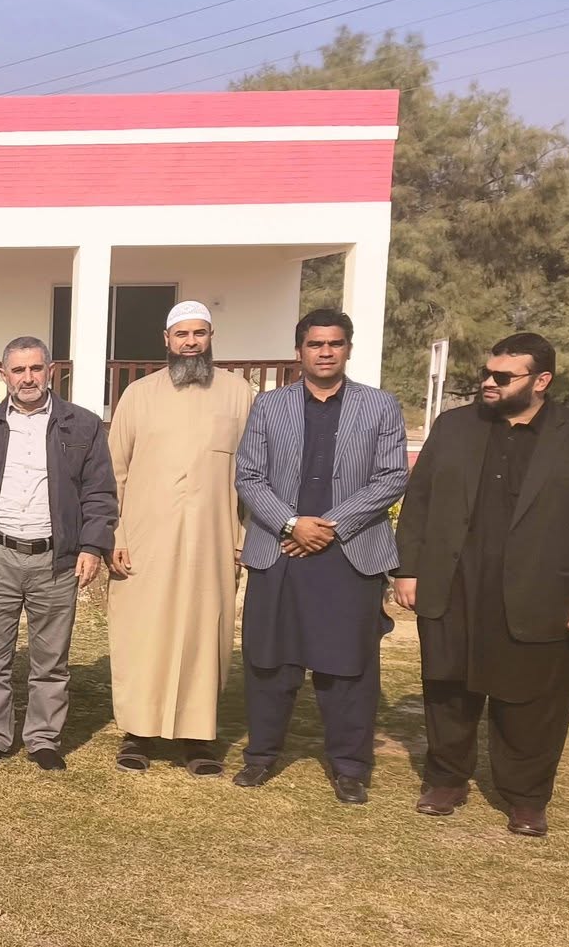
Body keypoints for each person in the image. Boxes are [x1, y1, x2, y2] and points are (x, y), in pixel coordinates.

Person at [396, 332, 569, 838]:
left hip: (541, 593)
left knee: (532, 702)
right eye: (487, 372)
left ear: (541, 381)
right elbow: (418, 501)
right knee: (448, 690)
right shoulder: (454, 427)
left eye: (503, 376)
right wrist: (407, 569)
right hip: (454, 585)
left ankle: (526, 798)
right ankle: (446, 780)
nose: (489, 381)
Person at [232, 309, 408, 804]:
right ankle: (261, 756)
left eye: (334, 343)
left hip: (348, 553)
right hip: (280, 549)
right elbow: (249, 475)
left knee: (348, 665)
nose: (325, 352)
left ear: (348, 348)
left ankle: (350, 766)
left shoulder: (380, 406)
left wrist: (327, 527)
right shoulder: (270, 406)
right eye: (315, 344)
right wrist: (292, 524)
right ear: (299, 351)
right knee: (270, 660)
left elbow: (392, 476)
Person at [106, 300, 255, 776]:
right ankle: (138, 733)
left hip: (214, 540)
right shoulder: (138, 395)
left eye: (199, 333)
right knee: (142, 633)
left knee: (205, 633)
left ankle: (198, 738)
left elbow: (254, 475)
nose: (191, 342)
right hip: (144, 540)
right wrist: (115, 534)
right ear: (166, 340)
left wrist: (244, 537)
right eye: (182, 334)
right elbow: (114, 472)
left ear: (211, 337)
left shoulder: (240, 395)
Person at [0, 335, 117, 772]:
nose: (27, 378)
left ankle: (43, 738)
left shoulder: (82, 425)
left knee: (51, 660)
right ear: (3, 375)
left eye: (35, 368)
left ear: (51, 371)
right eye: (18, 370)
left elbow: (100, 491)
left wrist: (92, 545)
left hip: (56, 558)